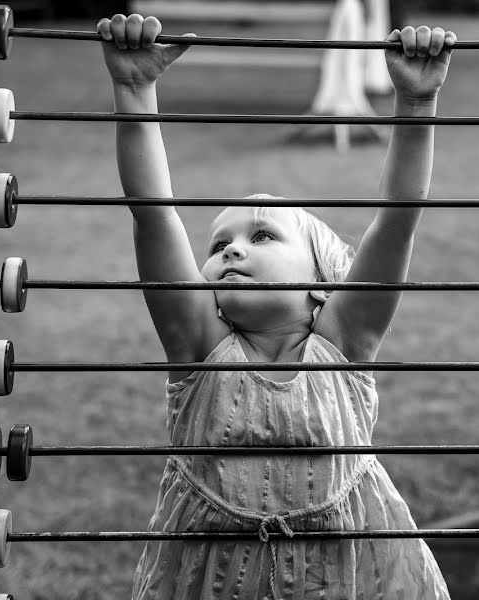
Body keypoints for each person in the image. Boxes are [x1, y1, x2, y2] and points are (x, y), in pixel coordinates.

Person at [97, 13, 456, 599]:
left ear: (323, 286)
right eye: (218, 246)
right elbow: (152, 210)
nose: (233, 249)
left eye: (262, 237)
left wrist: (416, 103)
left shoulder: (345, 341)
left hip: (340, 581)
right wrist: (134, 90)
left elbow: (398, 218)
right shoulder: (198, 347)